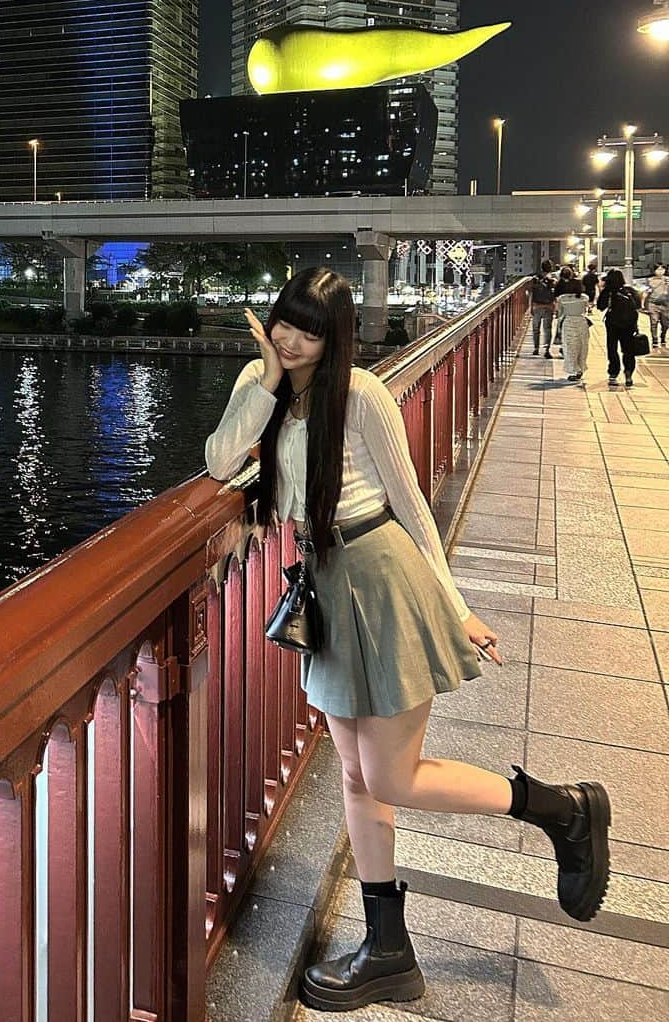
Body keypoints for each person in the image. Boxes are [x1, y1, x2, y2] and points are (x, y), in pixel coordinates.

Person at [204, 268, 611, 1012]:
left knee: (391, 775)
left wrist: (454, 606)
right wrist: (264, 379)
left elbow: (411, 502)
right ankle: (389, 950)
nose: (293, 341)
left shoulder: (360, 394)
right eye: (284, 324)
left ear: (337, 337)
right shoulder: (261, 383)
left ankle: (561, 810)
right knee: (358, 780)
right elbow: (219, 463)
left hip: (383, 580)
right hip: (326, 585)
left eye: (309, 331)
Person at [597, 268, 642, 387]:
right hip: (629, 324)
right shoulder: (630, 291)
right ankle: (628, 374)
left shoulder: (608, 291)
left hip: (613, 324)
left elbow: (600, 306)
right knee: (628, 350)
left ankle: (613, 373)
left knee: (612, 348)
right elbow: (638, 306)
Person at [556, 278, 591, 381]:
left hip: (568, 322)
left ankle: (573, 370)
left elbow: (560, 313)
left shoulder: (562, 299)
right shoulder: (584, 298)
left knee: (570, 348)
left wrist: (558, 328)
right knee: (582, 347)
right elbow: (586, 310)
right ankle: (581, 368)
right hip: (581, 322)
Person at [529, 259, 557, 357]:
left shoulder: (535, 279)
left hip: (537, 306)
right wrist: (555, 306)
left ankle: (536, 348)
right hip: (549, 306)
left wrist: (531, 306)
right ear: (551, 268)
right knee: (547, 329)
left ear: (541, 268)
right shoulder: (553, 280)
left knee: (536, 328)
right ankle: (547, 350)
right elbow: (555, 295)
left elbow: (532, 293)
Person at [643, 263, 669, 349]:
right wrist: (642, 303)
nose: (660, 271)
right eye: (658, 269)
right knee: (653, 322)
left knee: (665, 324)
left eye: (662, 269)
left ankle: (663, 336)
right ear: (654, 270)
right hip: (653, 304)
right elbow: (646, 291)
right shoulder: (650, 280)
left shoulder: (667, 280)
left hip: (666, 305)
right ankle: (654, 339)